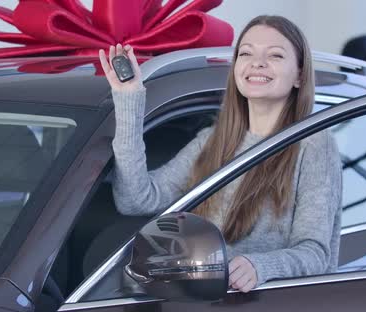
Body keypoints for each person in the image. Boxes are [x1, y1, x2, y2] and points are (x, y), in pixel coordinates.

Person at [98, 15, 342, 293]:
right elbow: (136, 200)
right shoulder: (212, 141)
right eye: (246, 53)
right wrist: (129, 98)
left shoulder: (313, 143)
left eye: (275, 55)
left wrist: (259, 267)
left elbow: (316, 254)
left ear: (299, 74)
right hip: (198, 298)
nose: (257, 62)